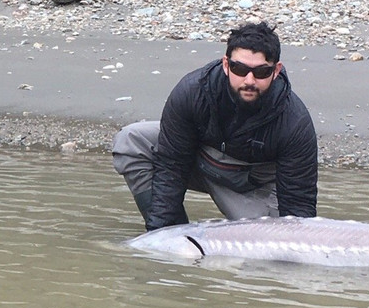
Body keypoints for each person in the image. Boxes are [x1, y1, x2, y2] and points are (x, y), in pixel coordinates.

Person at [112, 21, 318, 230]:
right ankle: (173, 234)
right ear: (226, 65)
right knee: (131, 140)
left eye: (261, 72)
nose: (249, 81)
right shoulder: (192, 92)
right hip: (202, 163)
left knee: (272, 244)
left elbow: (298, 205)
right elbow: (171, 165)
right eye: (239, 69)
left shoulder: (294, 121)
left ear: (276, 71)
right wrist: (160, 232)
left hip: (254, 186)